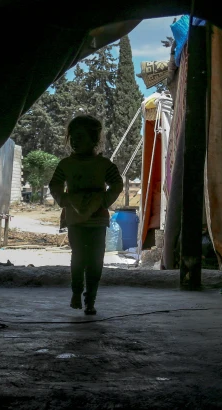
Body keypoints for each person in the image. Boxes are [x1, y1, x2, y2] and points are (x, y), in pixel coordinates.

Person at [49, 114, 123, 315]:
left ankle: (90, 299)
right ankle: (76, 292)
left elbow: (117, 183)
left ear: (94, 139)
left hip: (97, 219)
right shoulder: (66, 164)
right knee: (78, 257)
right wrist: (64, 200)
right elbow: (54, 184)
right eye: (72, 136)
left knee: (95, 259)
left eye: (80, 136)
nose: (75, 141)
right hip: (75, 219)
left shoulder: (104, 164)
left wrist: (104, 201)